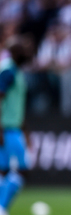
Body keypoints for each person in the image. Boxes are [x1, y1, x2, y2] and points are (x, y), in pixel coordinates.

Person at [0, 37, 32, 215]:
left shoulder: (14, 71)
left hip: (12, 127)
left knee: (4, 171)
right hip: (7, 129)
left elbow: (15, 105)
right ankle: (2, 207)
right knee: (22, 170)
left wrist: (26, 130)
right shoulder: (9, 71)